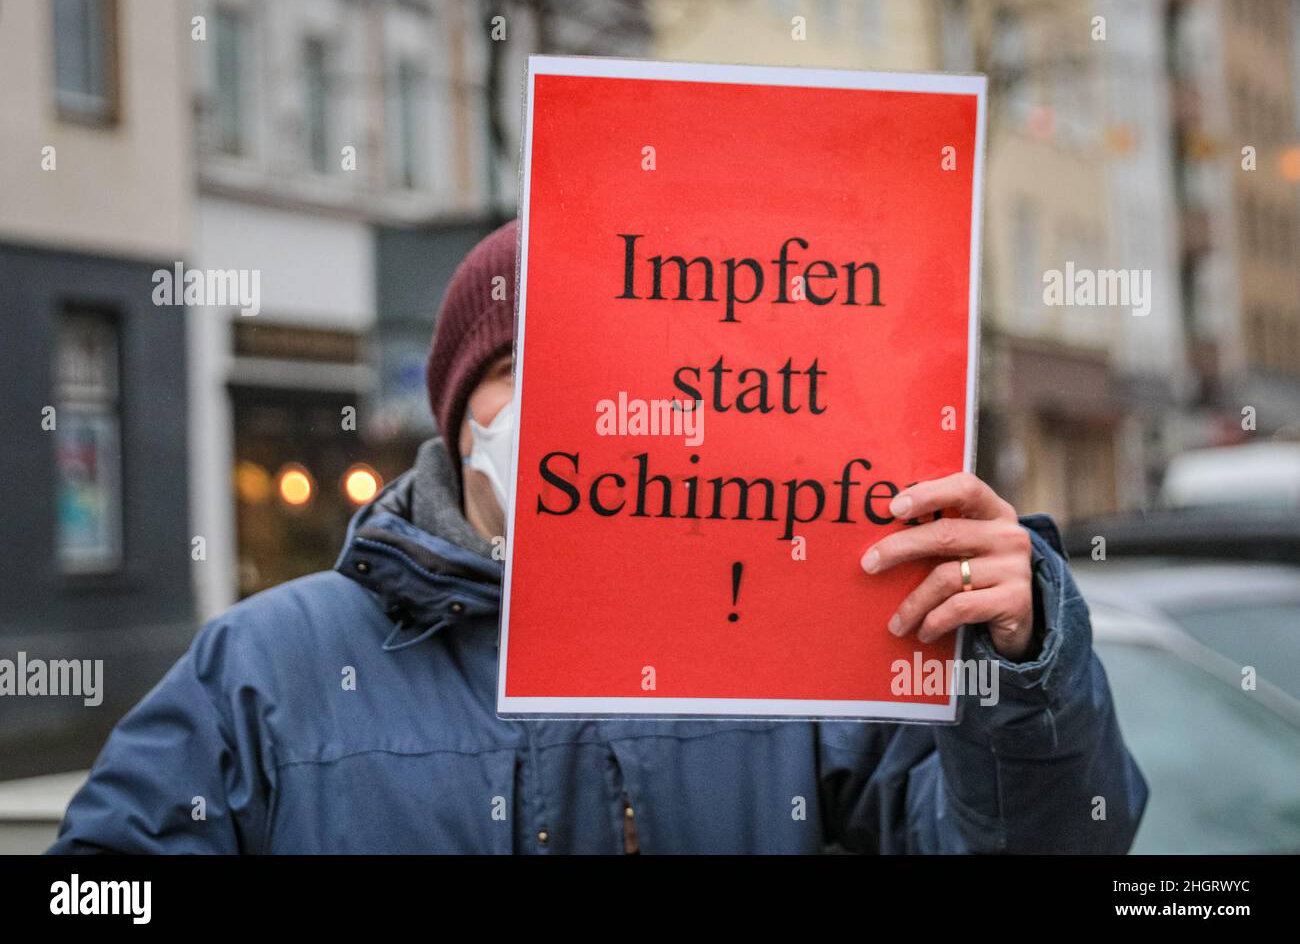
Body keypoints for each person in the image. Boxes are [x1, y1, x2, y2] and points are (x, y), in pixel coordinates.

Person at [50, 221, 1147, 854]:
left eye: (597, 370)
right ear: (454, 412)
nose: (559, 405)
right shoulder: (269, 667)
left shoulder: (797, 660)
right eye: (519, 372)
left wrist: (1024, 663)